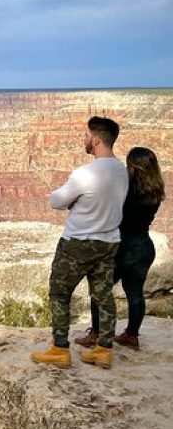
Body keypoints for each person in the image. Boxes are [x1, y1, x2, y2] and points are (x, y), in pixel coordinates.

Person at [31, 116, 128, 369]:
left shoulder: (85, 173)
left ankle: (60, 349)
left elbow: (56, 201)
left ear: (96, 139)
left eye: (86, 135)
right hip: (109, 242)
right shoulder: (121, 170)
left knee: (59, 293)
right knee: (103, 294)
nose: (83, 139)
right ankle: (104, 349)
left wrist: (73, 201)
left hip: (78, 243)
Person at [75, 147, 166, 350]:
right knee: (135, 293)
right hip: (144, 246)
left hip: (122, 248)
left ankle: (96, 333)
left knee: (100, 290)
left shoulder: (125, 191)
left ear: (134, 167)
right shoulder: (155, 190)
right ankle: (131, 336)